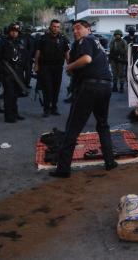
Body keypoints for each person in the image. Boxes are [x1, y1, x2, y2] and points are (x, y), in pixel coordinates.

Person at [48, 19, 117, 178]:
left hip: (90, 87)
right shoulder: (97, 42)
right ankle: (110, 162)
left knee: (72, 128)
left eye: (78, 28)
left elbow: (86, 59)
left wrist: (69, 66)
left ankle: (63, 169)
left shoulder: (86, 40)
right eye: (73, 29)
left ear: (88, 29)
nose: (75, 32)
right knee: (103, 125)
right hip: (106, 86)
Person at [34, 19, 70, 117]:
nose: (56, 28)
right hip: (45, 67)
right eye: (54, 26)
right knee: (47, 88)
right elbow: (38, 52)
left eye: (58, 27)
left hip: (58, 67)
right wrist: (36, 64)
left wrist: (70, 65)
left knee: (56, 88)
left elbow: (67, 53)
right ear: (50, 27)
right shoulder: (43, 38)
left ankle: (54, 107)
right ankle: (46, 109)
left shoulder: (63, 38)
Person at [0, 22, 27, 123]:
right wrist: (2, 69)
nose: (14, 33)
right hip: (7, 73)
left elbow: (25, 57)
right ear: (9, 31)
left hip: (18, 73)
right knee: (9, 95)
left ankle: (15, 113)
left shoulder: (20, 42)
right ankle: (8, 116)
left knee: (15, 95)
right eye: (12, 31)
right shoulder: (3, 43)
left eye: (16, 31)